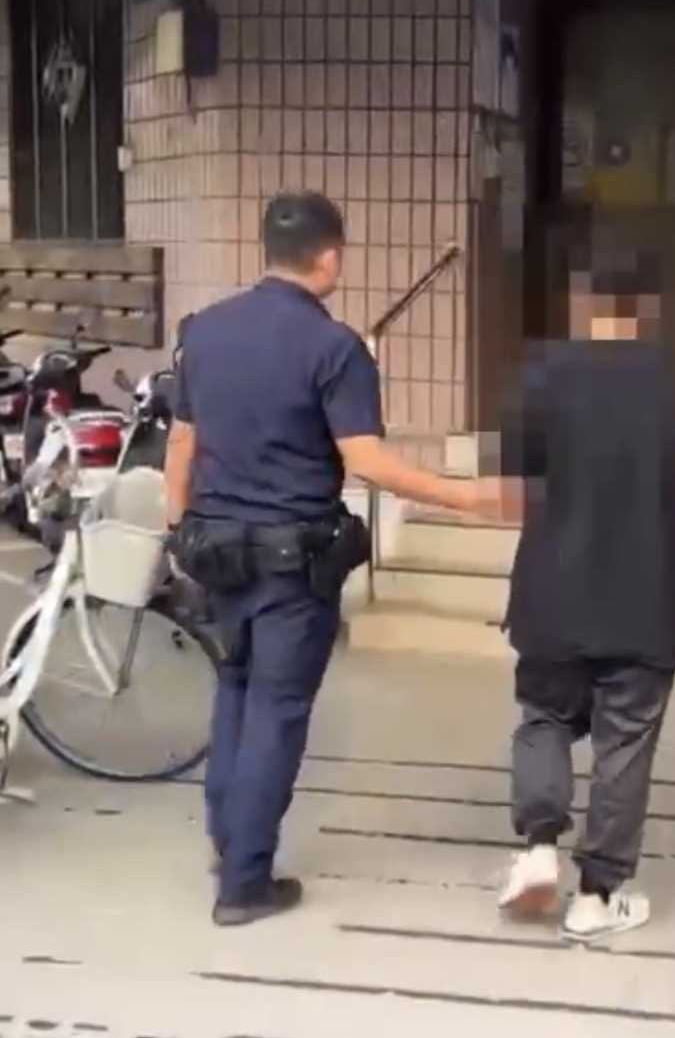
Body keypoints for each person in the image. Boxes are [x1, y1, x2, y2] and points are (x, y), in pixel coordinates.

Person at [165, 191, 498, 927]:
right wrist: (467, 498)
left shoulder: (203, 331)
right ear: (330, 256)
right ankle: (245, 883)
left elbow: (183, 442)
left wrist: (177, 530)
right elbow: (366, 461)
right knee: (277, 712)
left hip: (217, 551)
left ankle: (228, 842)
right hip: (292, 563)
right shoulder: (335, 347)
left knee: (234, 692)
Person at [494, 259, 675, 943]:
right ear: (648, 309)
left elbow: (514, 485)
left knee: (544, 717)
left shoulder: (541, 373)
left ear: (583, 303)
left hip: (551, 590)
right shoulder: (674, 384)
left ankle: (539, 848)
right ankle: (596, 897)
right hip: (644, 595)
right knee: (625, 742)